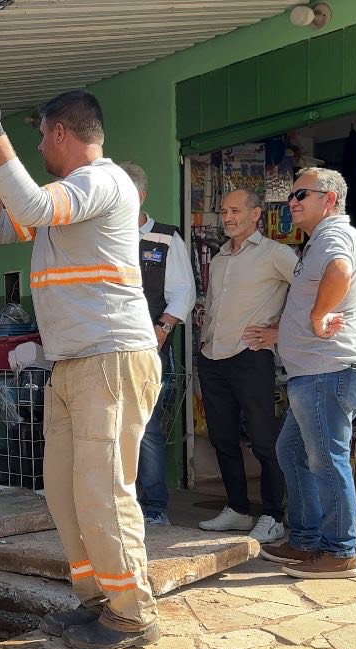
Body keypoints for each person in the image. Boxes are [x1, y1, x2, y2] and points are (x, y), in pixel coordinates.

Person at [0, 81, 162, 649]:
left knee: (104, 490)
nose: (39, 149)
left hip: (110, 357)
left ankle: (133, 614)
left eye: (40, 136)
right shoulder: (67, 198)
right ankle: (98, 598)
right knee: (65, 491)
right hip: (75, 362)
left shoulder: (102, 182)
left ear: (58, 132)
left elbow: (24, 206)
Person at [259, 168, 356, 580]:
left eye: (301, 194)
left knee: (326, 459)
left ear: (329, 199)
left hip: (329, 372)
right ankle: (305, 540)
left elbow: (340, 273)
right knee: (292, 451)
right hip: (315, 373)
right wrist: (281, 332)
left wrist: (317, 314)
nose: (292, 201)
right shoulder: (321, 240)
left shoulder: (333, 235)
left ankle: (340, 551)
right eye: (291, 195)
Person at [195, 189, 298, 544]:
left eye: (235, 210)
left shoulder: (276, 254)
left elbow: (312, 290)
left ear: (256, 214)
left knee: (263, 440)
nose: (227, 217)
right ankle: (238, 509)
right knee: (222, 438)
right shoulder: (220, 258)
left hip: (250, 356)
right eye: (223, 211)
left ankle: (272, 515)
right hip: (212, 357)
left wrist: (279, 332)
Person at [119, 162, 195, 526]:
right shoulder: (103, 234)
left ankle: (154, 508)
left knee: (146, 429)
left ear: (141, 196)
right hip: (107, 349)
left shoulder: (165, 239)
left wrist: (163, 328)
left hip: (149, 352)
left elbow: (184, 292)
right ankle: (119, 504)